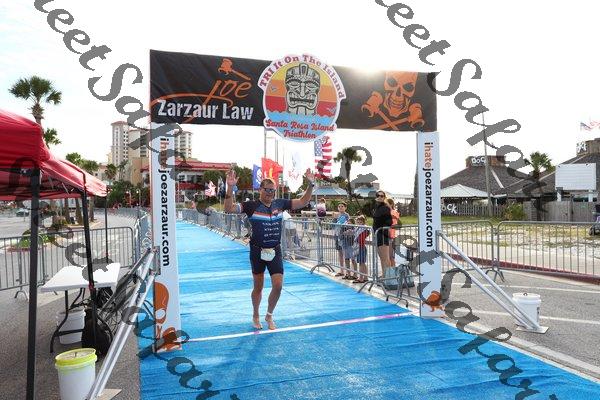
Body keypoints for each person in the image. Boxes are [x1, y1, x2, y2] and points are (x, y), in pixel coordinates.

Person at [224, 168, 315, 330]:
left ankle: (269, 315)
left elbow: (302, 202)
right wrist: (230, 188)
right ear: (260, 189)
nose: (270, 193)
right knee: (258, 287)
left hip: (275, 250)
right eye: (267, 190)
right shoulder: (251, 206)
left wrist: (310, 185)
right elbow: (229, 209)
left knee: (278, 286)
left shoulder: (280, 204)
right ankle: (255, 314)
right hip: (257, 251)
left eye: (272, 190)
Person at [373, 191, 392, 277]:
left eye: (382, 196)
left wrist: (382, 229)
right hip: (377, 234)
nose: (380, 197)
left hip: (383, 235)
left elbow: (389, 222)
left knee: (385, 258)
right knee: (381, 257)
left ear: (384, 197)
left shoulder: (385, 207)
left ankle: (388, 276)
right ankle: (384, 274)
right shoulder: (377, 207)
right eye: (378, 195)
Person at [332, 202, 350, 278]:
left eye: (342, 206)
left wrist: (337, 218)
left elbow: (345, 224)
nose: (340, 208)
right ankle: (341, 270)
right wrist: (334, 218)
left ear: (345, 207)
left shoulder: (346, 215)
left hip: (343, 236)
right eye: (339, 206)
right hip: (337, 235)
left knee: (346, 253)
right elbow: (333, 226)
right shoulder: (336, 215)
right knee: (340, 253)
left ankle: (348, 272)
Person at [353, 215, 370, 283]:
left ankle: (361, 278)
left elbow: (361, 238)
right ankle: (365, 277)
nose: (359, 223)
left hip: (361, 247)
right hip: (358, 247)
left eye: (360, 222)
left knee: (361, 263)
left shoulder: (365, 229)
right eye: (358, 222)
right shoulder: (357, 229)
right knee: (362, 263)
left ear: (363, 222)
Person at [386, 198, 400, 267]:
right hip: (388, 235)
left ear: (391, 204)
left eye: (387, 204)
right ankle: (390, 270)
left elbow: (393, 223)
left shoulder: (393, 212)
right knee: (389, 256)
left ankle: (392, 270)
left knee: (390, 256)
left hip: (391, 236)